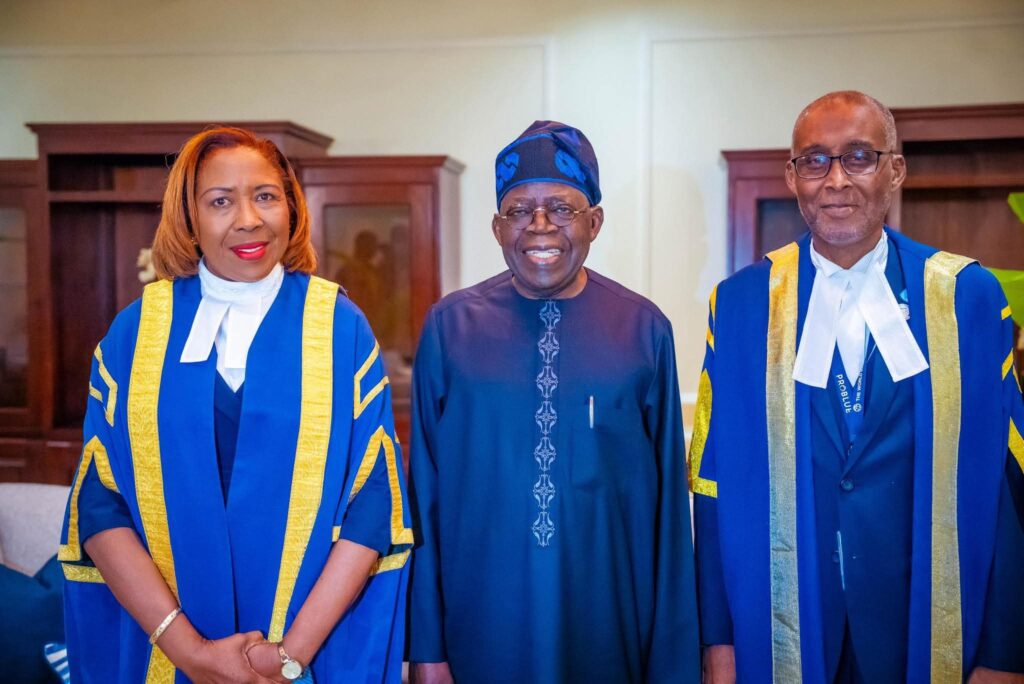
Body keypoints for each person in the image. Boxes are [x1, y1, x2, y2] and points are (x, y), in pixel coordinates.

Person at [691, 91, 1024, 683]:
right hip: (785, 626)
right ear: (792, 177)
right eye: (815, 160)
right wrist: (719, 641)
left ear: (895, 169)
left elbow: (1007, 483)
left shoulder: (966, 299)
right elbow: (711, 484)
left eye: (859, 157)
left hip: (922, 626)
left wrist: (1005, 654)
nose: (836, 180)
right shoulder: (740, 305)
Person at [58, 127, 412, 683]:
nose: (248, 219)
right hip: (169, 648)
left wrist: (288, 656)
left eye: (265, 196)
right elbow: (101, 504)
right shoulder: (137, 334)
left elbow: (373, 504)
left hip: (303, 652)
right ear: (189, 218)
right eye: (220, 201)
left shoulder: (338, 328)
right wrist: (192, 652)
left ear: (291, 207)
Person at [407, 121, 700, 683]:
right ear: (497, 227)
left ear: (595, 221)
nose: (540, 226)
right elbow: (423, 497)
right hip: (479, 630)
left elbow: (669, 513)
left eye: (562, 209)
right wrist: (425, 649)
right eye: (520, 211)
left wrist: (672, 663)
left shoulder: (642, 330)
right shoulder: (450, 328)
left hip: (609, 627)